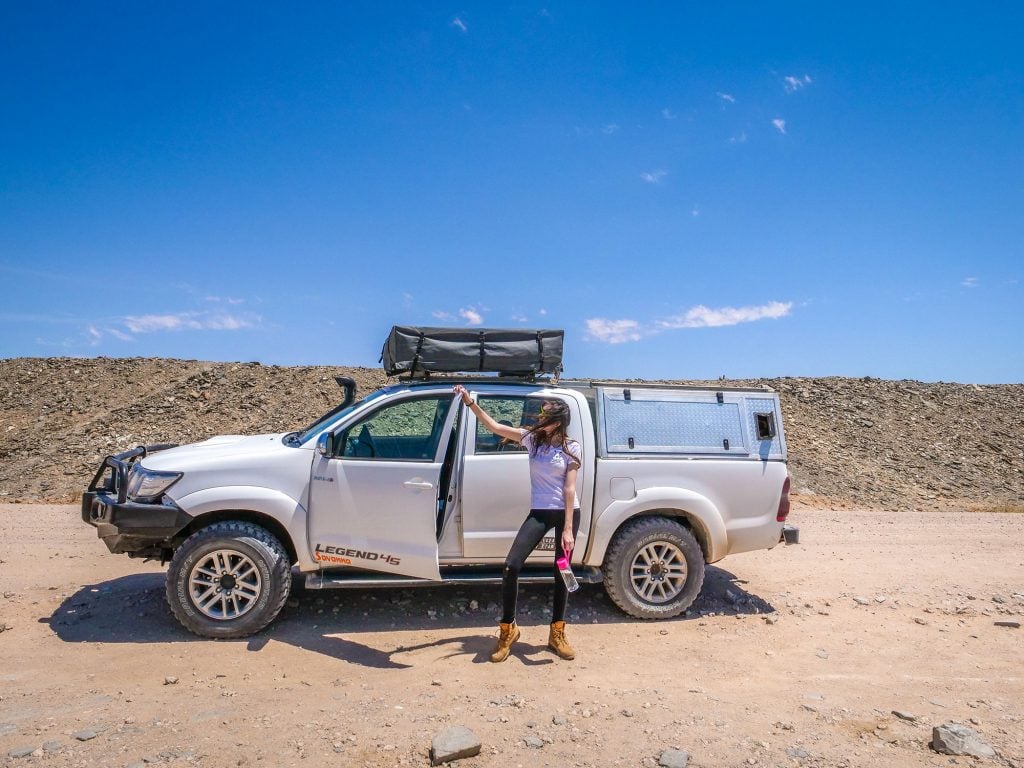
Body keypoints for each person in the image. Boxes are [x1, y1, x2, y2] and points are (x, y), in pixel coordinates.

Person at [453, 384, 582, 662]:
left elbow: (570, 489)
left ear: (558, 421)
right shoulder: (532, 440)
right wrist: (469, 402)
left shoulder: (571, 448)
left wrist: (569, 529)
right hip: (540, 512)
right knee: (511, 566)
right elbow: (495, 427)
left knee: (562, 570)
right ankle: (508, 629)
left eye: (545, 416)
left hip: (566, 513)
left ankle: (557, 633)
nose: (540, 419)